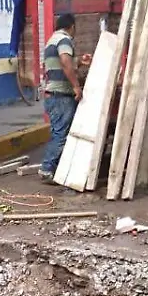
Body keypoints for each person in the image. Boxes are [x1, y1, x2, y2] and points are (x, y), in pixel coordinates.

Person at [39, 13, 92, 184]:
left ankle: (53, 169)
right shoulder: (64, 40)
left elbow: (65, 61)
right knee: (61, 134)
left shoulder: (52, 40)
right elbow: (64, 62)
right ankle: (47, 169)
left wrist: (79, 61)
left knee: (58, 132)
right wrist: (77, 86)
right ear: (72, 26)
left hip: (53, 95)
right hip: (61, 95)